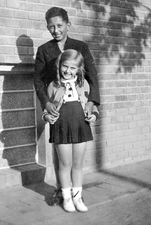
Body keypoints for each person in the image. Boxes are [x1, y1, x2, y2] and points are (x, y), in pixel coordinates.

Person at [34, 6, 100, 205]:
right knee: (60, 153)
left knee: (76, 157)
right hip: (57, 107)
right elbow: (38, 81)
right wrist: (46, 103)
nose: (56, 30)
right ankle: (61, 190)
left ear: (68, 25)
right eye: (51, 27)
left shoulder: (81, 46)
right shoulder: (44, 50)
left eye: (59, 25)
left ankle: (75, 193)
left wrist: (91, 102)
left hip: (77, 107)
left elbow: (92, 75)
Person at [42, 49, 99, 212]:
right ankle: (66, 198)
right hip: (61, 126)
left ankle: (77, 197)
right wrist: (47, 117)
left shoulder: (84, 84)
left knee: (78, 164)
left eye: (73, 68)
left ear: (79, 69)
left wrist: (93, 115)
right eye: (65, 66)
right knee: (65, 164)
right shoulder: (53, 85)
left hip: (80, 125)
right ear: (59, 66)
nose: (68, 71)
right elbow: (48, 107)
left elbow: (91, 105)